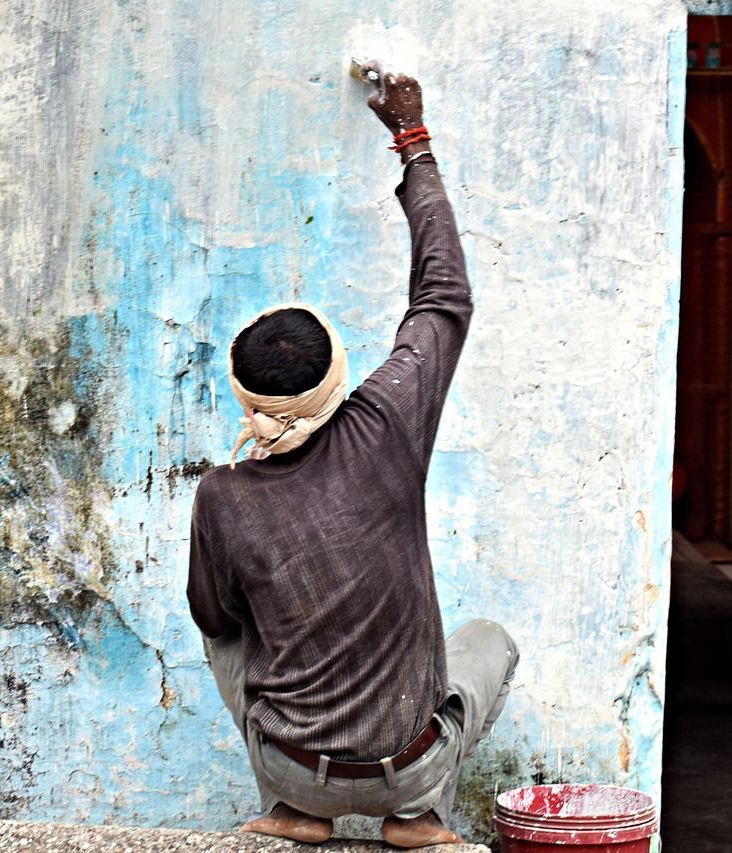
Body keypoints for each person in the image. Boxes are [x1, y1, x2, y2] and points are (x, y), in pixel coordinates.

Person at [186, 68, 519, 848]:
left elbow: (216, 618)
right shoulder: (389, 419)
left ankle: (298, 810)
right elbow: (444, 297)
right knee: (490, 641)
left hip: (293, 764)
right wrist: (413, 140)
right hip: (411, 763)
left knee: (223, 627)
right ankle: (419, 816)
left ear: (248, 402)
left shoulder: (220, 494)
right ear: (335, 374)